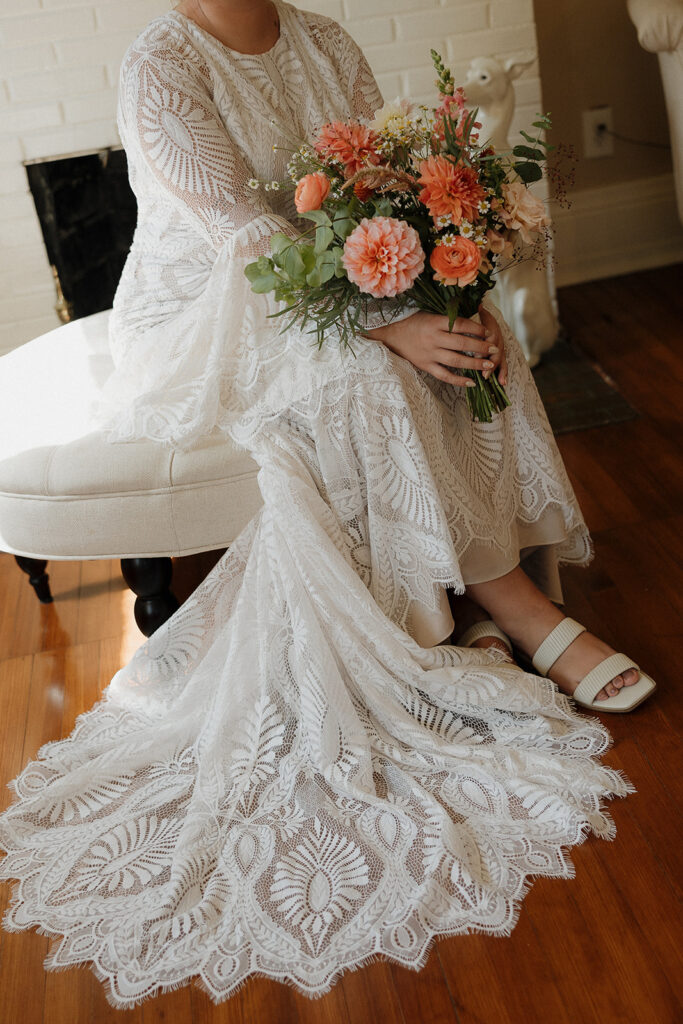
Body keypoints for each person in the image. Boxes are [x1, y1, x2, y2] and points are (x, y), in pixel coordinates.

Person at [0, 0, 656, 1008]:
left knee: (484, 336)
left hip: (338, 278)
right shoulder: (161, 63)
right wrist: (390, 325)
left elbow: (380, 189)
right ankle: (510, 601)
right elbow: (247, 232)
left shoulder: (324, 40)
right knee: (368, 376)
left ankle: (459, 585)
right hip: (219, 307)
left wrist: (444, 280)